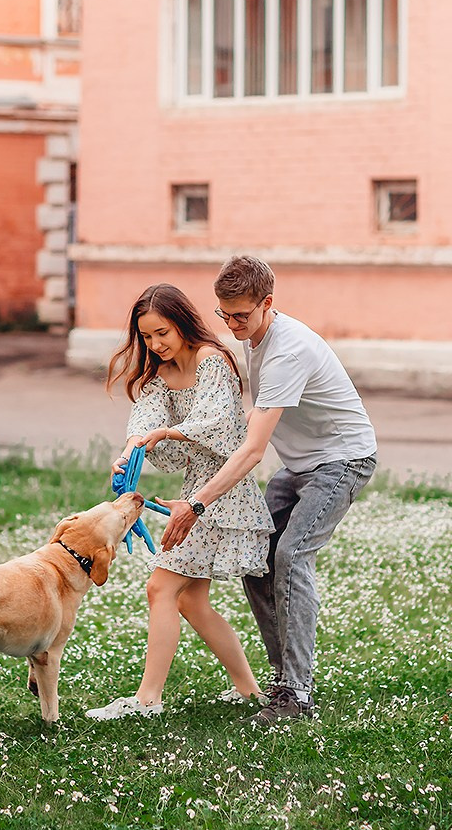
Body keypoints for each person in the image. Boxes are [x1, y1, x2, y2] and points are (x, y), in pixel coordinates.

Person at [159, 255, 378, 726]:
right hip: (300, 465)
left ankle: (297, 695)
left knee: (291, 556)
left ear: (267, 303)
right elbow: (244, 420)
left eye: (241, 315)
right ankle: (285, 679)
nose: (232, 324)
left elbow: (254, 449)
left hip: (343, 460)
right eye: (224, 314)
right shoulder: (252, 337)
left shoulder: (286, 351)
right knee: (259, 555)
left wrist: (196, 504)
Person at [85, 283, 274, 721]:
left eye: (162, 333)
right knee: (191, 602)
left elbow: (216, 421)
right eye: (146, 336)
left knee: (161, 588)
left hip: (222, 491)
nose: (155, 344)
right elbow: (145, 420)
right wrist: (129, 453)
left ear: (182, 323)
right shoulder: (161, 376)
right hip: (198, 487)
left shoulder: (212, 360)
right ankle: (248, 691)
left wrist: (167, 433)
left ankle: (147, 700)